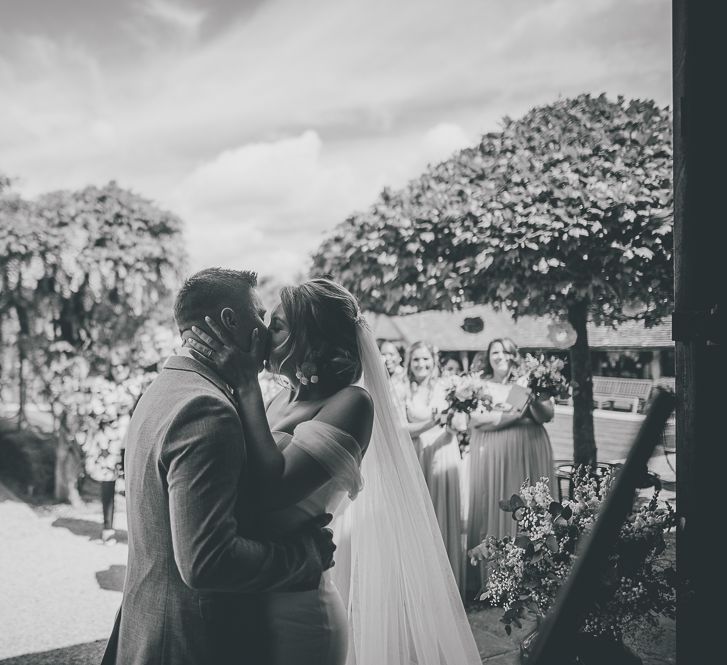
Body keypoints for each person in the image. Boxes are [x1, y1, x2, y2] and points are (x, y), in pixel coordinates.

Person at [186, 278, 481, 665]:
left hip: (298, 611)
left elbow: (273, 490)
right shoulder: (279, 397)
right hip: (255, 592)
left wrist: (245, 386)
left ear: (311, 338)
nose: (263, 333)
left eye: (277, 326)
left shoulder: (352, 403)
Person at [101, 268, 336, 665]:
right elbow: (207, 562)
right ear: (230, 321)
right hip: (188, 639)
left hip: (150, 623)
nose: (264, 328)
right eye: (259, 315)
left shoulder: (164, 388)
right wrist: (306, 557)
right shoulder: (206, 407)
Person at [466, 337, 555, 595]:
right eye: (495, 351)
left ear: (514, 355)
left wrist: (532, 398)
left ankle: (534, 574)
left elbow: (545, 416)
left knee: (531, 507)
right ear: (488, 356)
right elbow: (476, 420)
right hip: (494, 457)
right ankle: (498, 576)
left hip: (528, 452)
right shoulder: (480, 385)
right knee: (495, 502)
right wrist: (516, 414)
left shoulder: (527, 382)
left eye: (505, 352)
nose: (500, 356)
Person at [400, 341, 467, 596]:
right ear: (409, 362)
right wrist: (433, 421)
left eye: (426, 359)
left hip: (443, 452)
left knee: (441, 513)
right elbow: (402, 428)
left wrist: (456, 416)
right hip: (416, 454)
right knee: (417, 515)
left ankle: (444, 585)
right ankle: (420, 583)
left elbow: (458, 426)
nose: (421, 364)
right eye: (416, 360)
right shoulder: (403, 388)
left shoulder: (446, 387)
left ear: (434, 361)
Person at [377, 339, 408, 407]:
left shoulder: (407, 377)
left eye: (391, 354)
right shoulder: (377, 378)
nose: (387, 358)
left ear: (400, 357)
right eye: (383, 354)